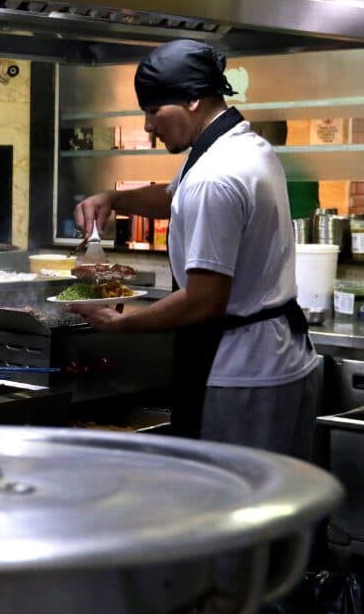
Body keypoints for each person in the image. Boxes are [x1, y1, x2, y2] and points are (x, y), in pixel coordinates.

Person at [69, 39, 318, 457]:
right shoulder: (239, 145)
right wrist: (114, 198)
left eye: (153, 111)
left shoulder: (215, 175)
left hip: (239, 372)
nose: (148, 126)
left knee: (233, 506)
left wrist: (122, 322)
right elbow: (177, 197)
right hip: (279, 358)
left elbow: (204, 300)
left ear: (192, 100)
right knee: (279, 505)